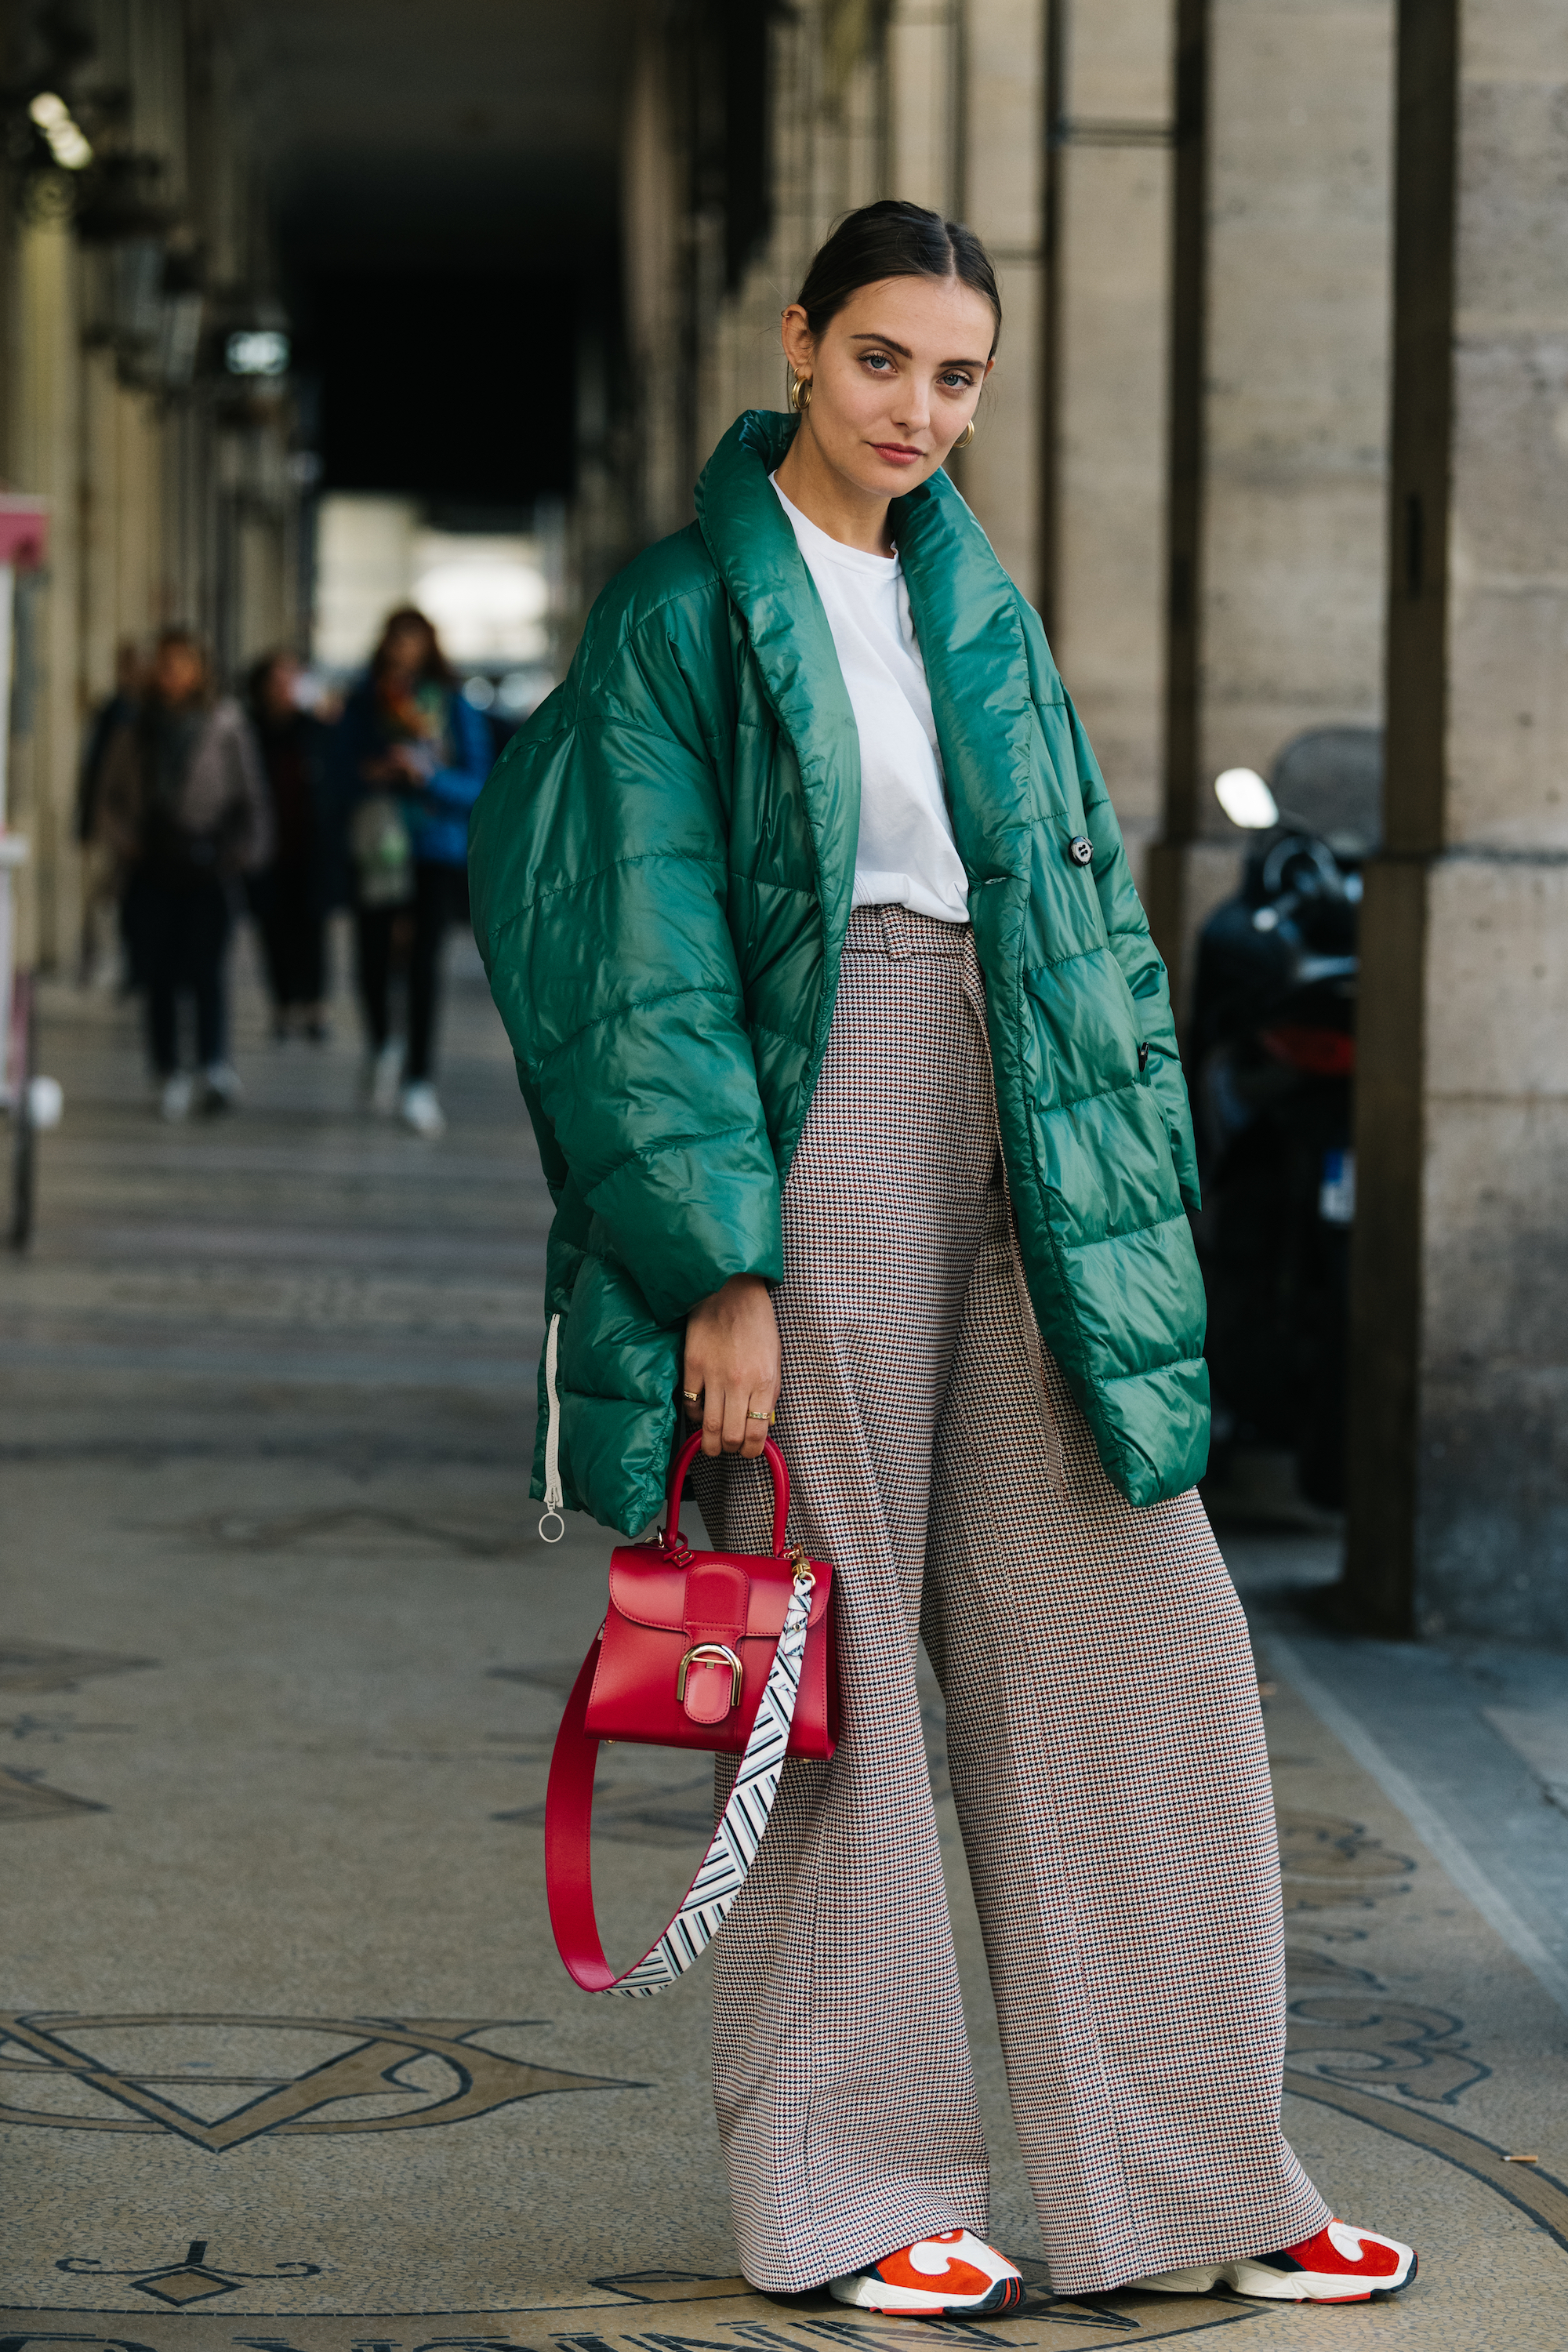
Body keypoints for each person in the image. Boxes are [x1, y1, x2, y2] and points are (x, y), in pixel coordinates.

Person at [468, 201, 1416, 2314]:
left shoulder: (979, 611)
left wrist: (1139, 1202)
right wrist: (716, 1262)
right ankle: (858, 2185)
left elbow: (1080, 934)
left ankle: (1188, 2176)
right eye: (884, 358)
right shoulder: (687, 614)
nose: (919, 407)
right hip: (813, 1120)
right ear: (799, 344)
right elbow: (640, 963)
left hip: (1026, 1116)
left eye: (958, 374)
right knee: (833, 1637)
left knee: (1136, 1621)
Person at [99, 628, 270, 1119]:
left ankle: (213, 1064)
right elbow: (108, 794)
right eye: (164, 662)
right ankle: (167, 1068)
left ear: (200, 670)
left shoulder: (225, 723)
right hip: (152, 861)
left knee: (207, 968)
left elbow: (250, 793)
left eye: (182, 663)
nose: (172, 673)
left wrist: (245, 851)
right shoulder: (134, 726)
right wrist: (123, 839)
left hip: (208, 860)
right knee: (158, 969)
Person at [339, 607, 490, 1138]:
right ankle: (383, 1042)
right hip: (379, 842)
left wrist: (429, 778)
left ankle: (419, 1080)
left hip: (434, 846)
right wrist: (374, 773)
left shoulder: (454, 706)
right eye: (395, 640)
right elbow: (338, 771)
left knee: (425, 963)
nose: (404, 651)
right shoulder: (364, 701)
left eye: (415, 641)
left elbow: (479, 784)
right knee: (373, 956)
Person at [245, 648, 335, 1041]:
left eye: (291, 680)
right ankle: (282, 1004)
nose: (284, 689)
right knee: (273, 929)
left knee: (313, 929)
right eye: (277, 681)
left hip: (311, 845)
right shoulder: (250, 732)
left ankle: (315, 1006)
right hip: (266, 847)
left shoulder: (315, 729)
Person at [75, 640, 141, 989]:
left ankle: (132, 965)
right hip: (118, 829)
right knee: (108, 899)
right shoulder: (114, 713)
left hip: (149, 833)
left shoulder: (147, 716)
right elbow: (96, 776)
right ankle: (108, 963)